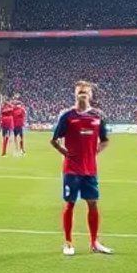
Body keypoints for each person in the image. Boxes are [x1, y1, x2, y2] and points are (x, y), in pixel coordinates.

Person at [52, 80, 112, 256]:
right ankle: (68, 242)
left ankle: (94, 242)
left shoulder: (97, 116)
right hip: (71, 169)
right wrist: (65, 152)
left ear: (91, 95)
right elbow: (54, 139)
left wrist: (94, 153)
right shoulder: (67, 116)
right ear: (75, 94)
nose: (82, 93)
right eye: (79, 91)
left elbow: (105, 140)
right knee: (70, 204)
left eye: (85, 91)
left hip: (90, 169)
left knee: (93, 204)